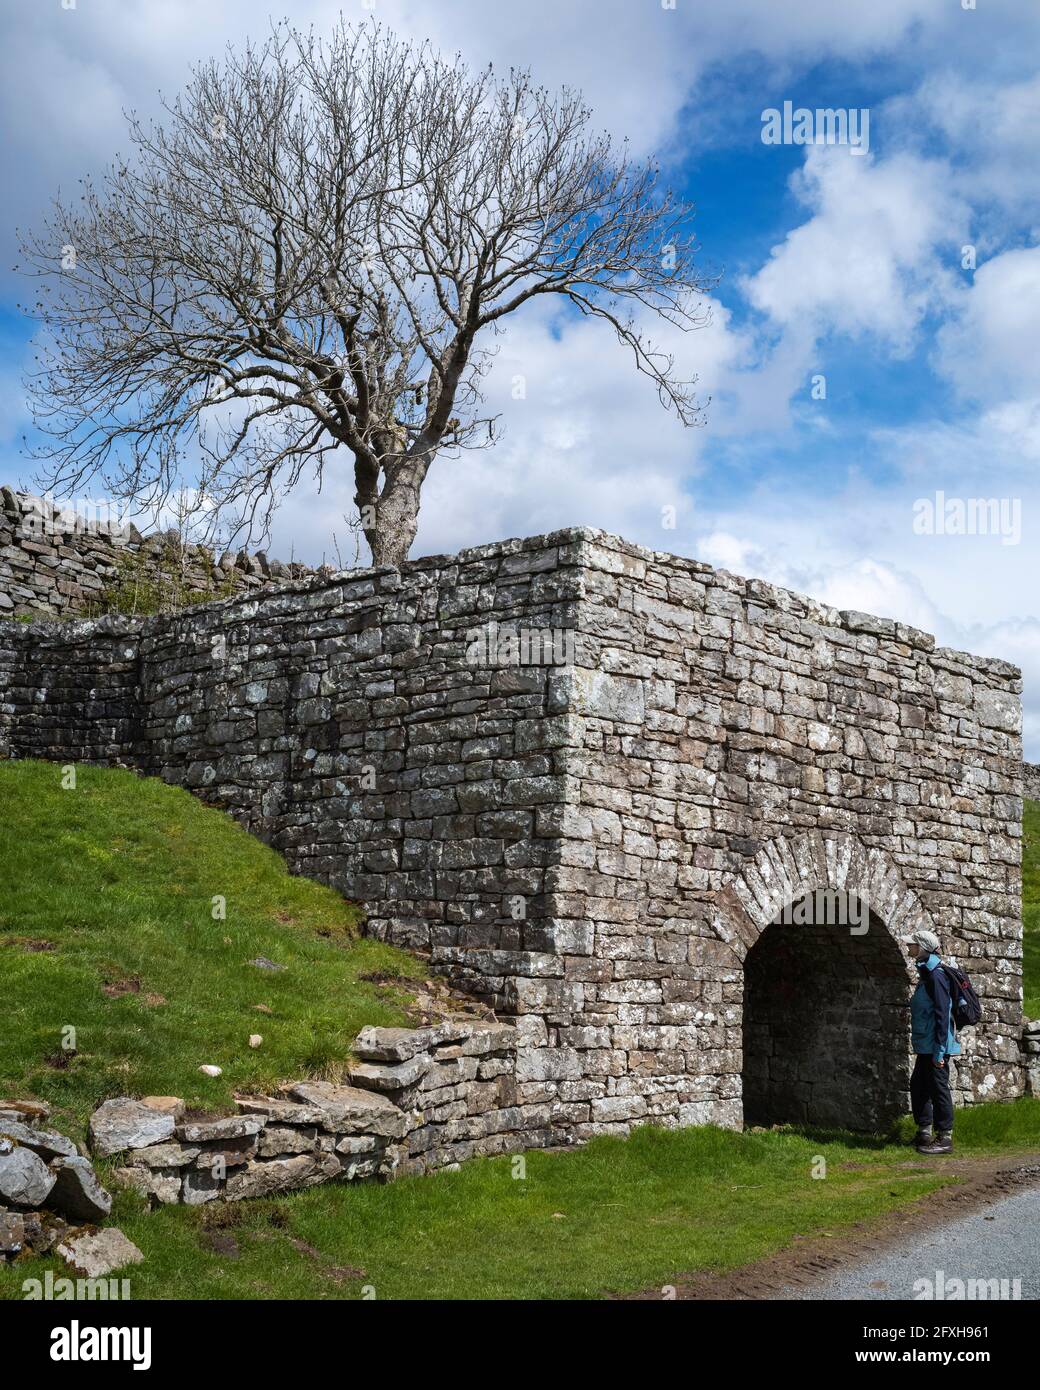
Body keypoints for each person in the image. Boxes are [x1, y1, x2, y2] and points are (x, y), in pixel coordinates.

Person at [904, 928, 961, 1154]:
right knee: (919, 1086)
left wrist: (939, 1051)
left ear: (923, 948)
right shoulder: (927, 972)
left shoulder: (936, 975)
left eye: (912, 945)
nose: (908, 947)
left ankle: (945, 1138)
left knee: (938, 1088)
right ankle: (924, 1134)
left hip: (936, 1045)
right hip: (927, 1045)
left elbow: (942, 1013)